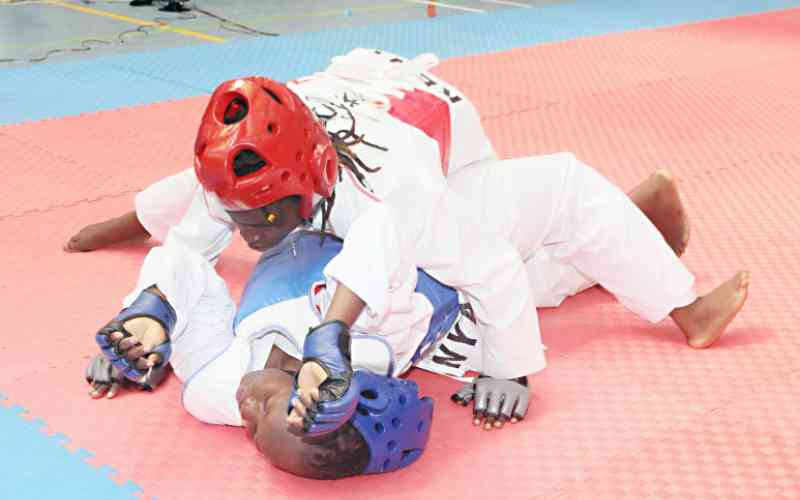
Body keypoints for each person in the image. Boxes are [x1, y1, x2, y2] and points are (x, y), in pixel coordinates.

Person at [82, 48, 748, 447]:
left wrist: (508, 370)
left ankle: (684, 307)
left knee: (555, 194)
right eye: (240, 218)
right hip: (341, 123)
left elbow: (488, 268)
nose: (250, 237)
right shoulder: (239, 173)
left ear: (311, 181)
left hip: (441, 140)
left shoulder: (398, 191)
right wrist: (142, 321)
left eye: (266, 219)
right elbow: (185, 233)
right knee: (479, 287)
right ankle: (630, 226)